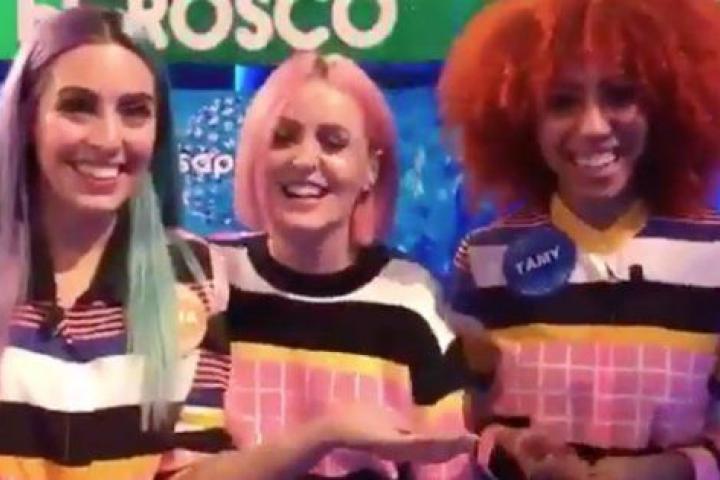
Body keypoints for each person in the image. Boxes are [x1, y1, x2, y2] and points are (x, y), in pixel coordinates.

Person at [0, 7, 476, 480]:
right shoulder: (217, 271)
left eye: (134, 111)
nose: (108, 138)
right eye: (78, 106)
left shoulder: (189, 275)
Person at [439, 0, 720, 479]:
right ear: (522, 117)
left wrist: (671, 469)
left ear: (665, 104)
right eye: (562, 102)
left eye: (620, 95)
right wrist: (509, 451)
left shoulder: (713, 255)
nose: (593, 127)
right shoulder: (485, 258)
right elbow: (459, 421)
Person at [218, 51, 483, 479]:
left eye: (333, 142)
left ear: (371, 170)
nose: (305, 160)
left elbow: (446, 468)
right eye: (283, 138)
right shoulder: (210, 280)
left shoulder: (410, 302)